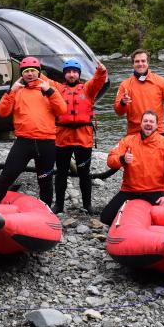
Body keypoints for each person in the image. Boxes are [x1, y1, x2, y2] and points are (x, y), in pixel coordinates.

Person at [0, 56, 67, 206]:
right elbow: (2, 112)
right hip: (24, 142)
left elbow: (62, 110)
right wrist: (11, 91)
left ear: (38, 72)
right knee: (7, 175)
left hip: (47, 143)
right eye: (26, 71)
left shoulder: (49, 89)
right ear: (22, 73)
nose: (30, 74)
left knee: (45, 180)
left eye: (33, 71)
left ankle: (46, 212)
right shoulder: (17, 91)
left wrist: (49, 91)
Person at [99, 110, 164, 226]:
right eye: (145, 121)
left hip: (155, 191)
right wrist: (122, 159)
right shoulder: (128, 140)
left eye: (151, 121)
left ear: (157, 125)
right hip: (130, 190)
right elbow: (110, 160)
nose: (148, 123)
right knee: (105, 218)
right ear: (141, 124)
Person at [51, 58, 108, 214]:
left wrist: (101, 71)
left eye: (74, 72)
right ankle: (59, 204)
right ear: (64, 74)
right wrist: (31, 69)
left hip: (83, 138)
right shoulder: (58, 89)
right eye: (68, 72)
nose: (71, 74)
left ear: (78, 74)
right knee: (61, 172)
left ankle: (87, 205)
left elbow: (98, 80)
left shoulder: (88, 89)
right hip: (63, 136)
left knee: (84, 173)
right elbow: (44, 81)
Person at [113, 49, 164, 135]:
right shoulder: (125, 85)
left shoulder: (161, 81)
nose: (140, 64)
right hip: (134, 133)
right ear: (133, 64)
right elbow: (118, 112)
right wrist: (122, 103)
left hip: (157, 132)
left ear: (148, 62)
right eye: (137, 61)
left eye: (143, 61)